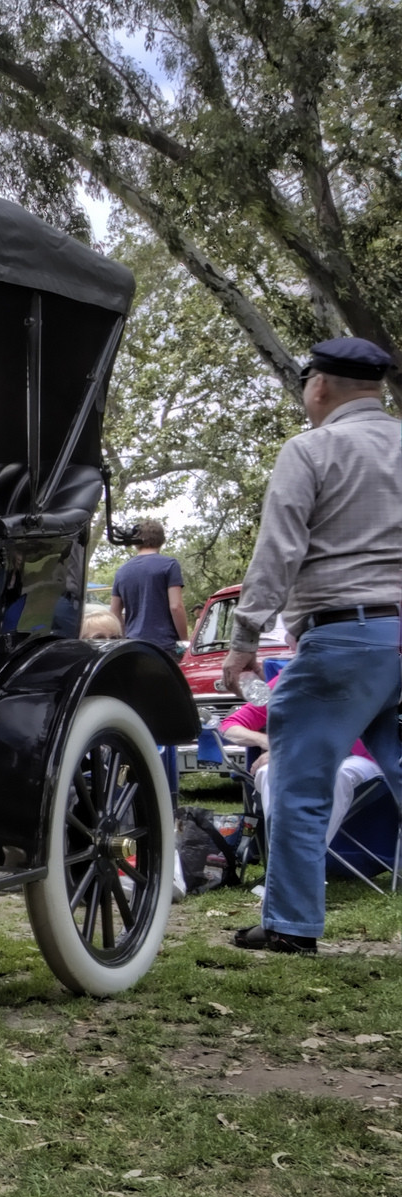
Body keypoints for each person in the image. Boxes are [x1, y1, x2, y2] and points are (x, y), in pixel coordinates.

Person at [221, 336, 402, 954]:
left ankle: (291, 925)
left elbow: (278, 552)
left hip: (343, 640)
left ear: (319, 385)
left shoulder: (312, 450)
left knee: (299, 785)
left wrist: (244, 638)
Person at [217, 671, 379, 846]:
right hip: (296, 760)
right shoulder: (290, 679)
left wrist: (294, 750)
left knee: (336, 775)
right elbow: (230, 726)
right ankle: (282, 860)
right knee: (268, 772)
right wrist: (275, 745)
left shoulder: (369, 674)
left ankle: (305, 862)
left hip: (357, 759)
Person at [111, 519, 189, 651]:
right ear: (162, 540)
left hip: (133, 646)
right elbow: (176, 607)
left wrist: (125, 637)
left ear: (136, 541)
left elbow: (114, 613)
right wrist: (184, 641)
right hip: (165, 646)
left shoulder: (122, 571)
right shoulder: (169, 565)